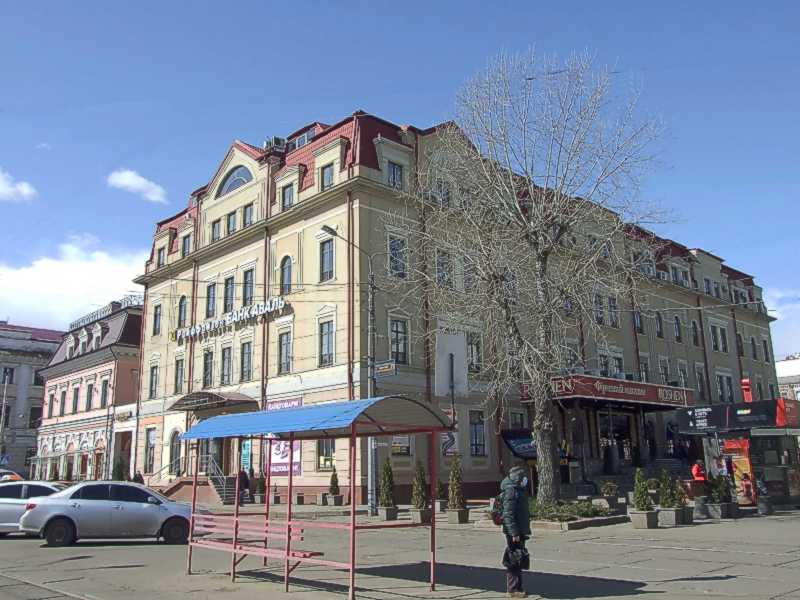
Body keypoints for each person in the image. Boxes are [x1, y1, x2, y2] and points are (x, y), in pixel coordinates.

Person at [500, 465, 531, 598]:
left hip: (519, 531)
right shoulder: (511, 491)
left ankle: (518, 588)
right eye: (523, 477)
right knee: (514, 559)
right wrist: (514, 533)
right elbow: (508, 515)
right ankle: (512, 590)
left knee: (519, 559)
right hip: (514, 532)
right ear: (518, 478)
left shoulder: (518, 490)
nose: (525, 479)